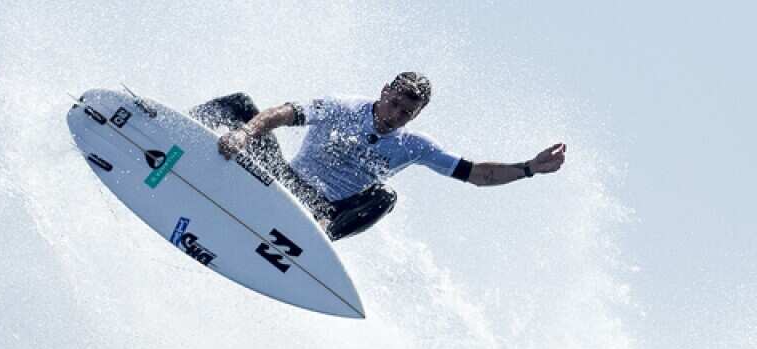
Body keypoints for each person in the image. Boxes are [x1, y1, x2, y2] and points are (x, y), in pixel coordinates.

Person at [189, 72, 567, 240]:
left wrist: (529, 169)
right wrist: (245, 133)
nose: (395, 115)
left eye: (407, 112)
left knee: (386, 197)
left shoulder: (414, 146)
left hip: (319, 214)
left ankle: (314, 244)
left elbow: (477, 174)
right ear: (384, 91)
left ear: (417, 116)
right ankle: (170, 136)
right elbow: (282, 113)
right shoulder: (341, 106)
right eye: (395, 103)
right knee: (240, 105)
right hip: (283, 182)